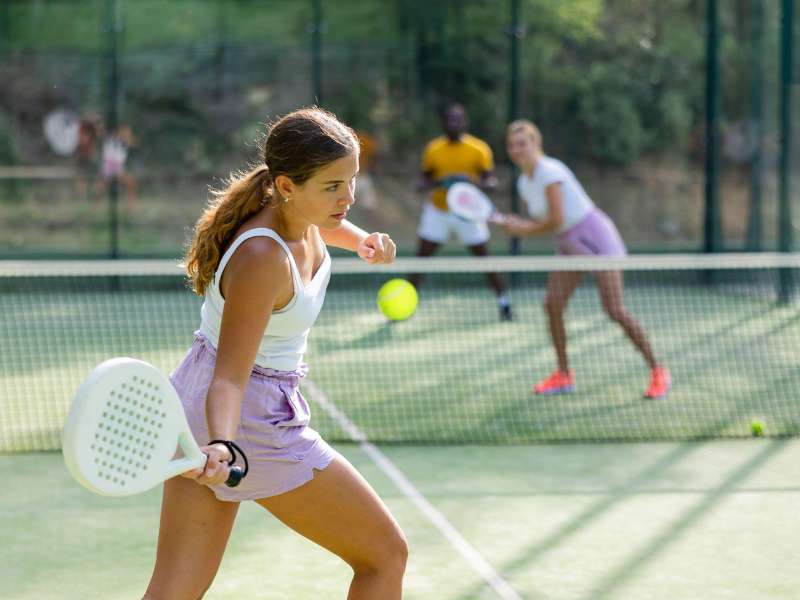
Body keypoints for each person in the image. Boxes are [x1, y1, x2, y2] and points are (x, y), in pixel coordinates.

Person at [142, 107, 407, 599]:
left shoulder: (303, 217)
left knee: (173, 592)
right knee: (385, 557)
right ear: (286, 186)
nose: (347, 198)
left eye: (351, 181)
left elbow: (323, 229)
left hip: (201, 405)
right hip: (242, 417)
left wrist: (362, 241)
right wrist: (223, 444)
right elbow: (229, 379)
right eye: (333, 187)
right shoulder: (262, 259)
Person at [503, 119, 671, 399]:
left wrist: (522, 230)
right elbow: (544, 220)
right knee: (553, 305)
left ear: (536, 144)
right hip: (568, 243)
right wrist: (516, 223)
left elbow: (554, 219)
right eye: (512, 145)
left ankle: (658, 371)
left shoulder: (549, 171)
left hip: (594, 237)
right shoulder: (524, 182)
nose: (518, 150)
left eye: (523, 143)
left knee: (614, 309)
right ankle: (564, 375)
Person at [410, 102, 513, 321]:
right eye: (449, 119)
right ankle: (407, 304)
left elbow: (490, 181)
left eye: (458, 119)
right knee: (420, 260)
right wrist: (432, 183)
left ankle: (504, 302)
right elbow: (424, 179)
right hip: (438, 211)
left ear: (465, 122)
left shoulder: (479, 149)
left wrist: (471, 183)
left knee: (485, 259)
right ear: (444, 123)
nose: (453, 123)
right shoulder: (433, 149)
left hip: (468, 213)